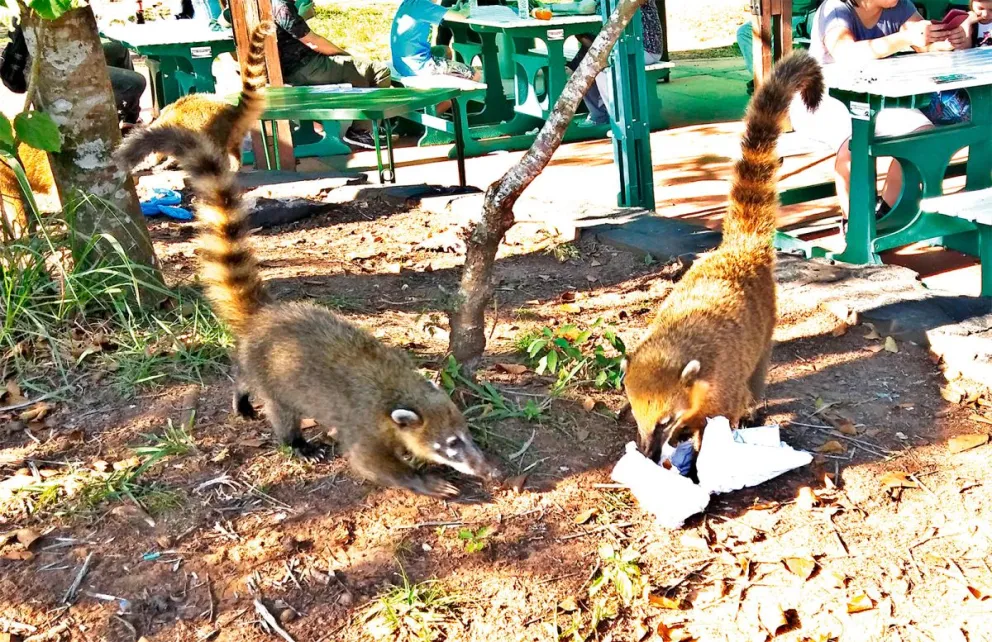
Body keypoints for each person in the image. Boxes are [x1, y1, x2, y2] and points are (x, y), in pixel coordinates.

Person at [788, 0, 971, 227]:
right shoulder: (835, 8)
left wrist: (945, 42)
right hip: (821, 101)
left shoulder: (900, 6)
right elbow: (847, 53)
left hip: (874, 98)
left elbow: (924, 44)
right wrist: (904, 38)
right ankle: (855, 224)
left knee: (923, 136)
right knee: (855, 145)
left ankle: (885, 213)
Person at [270, 0, 392, 149]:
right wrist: (346, 55)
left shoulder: (268, 5)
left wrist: (302, 15)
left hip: (290, 69)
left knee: (359, 73)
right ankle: (361, 132)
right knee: (379, 71)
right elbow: (313, 42)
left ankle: (363, 126)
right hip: (306, 67)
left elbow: (286, 31)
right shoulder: (282, 6)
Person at [572, 0, 664, 125]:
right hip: (625, 46)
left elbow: (609, 11)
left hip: (644, 49)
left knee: (599, 67)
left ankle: (617, 119)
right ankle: (599, 115)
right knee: (583, 63)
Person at [735, 0, 820, 93]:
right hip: (774, 13)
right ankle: (762, 78)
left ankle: (776, 83)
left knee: (777, 35)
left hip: (803, 15)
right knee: (744, 32)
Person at [390, 0, 481, 81]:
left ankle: (446, 84)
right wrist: (468, 7)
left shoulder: (410, 3)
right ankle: (449, 95)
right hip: (420, 67)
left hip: (402, 64)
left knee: (444, 51)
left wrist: (457, 8)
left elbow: (448, 13)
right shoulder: (424, 5)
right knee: (475, 74)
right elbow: (461, 16)